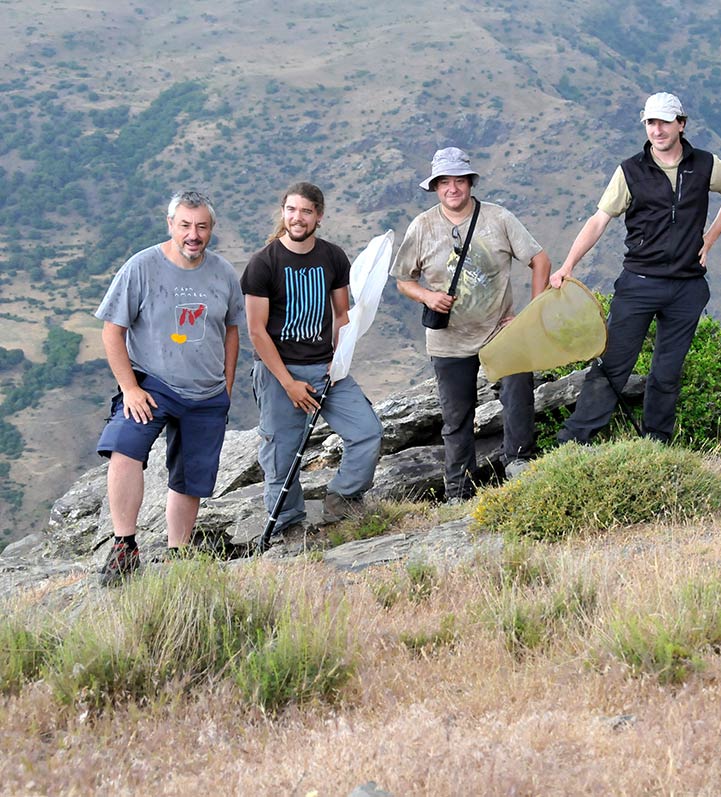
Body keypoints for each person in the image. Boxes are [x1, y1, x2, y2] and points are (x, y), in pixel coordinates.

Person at [550, 92, 721, 445]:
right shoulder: (630, 171)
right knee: (612, 366)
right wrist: (568, 265)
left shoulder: (705, 164)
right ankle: (574, 442)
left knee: (667, 371)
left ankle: (656, 442)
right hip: (638, 283)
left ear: (681, 124)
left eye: (665, 122)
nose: (657, 130)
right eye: (651, 122)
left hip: (686, 286)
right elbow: (599, 220)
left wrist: (710, 238)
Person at [94, 190, 244, 584]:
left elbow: (231, 330)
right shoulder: (141, 267)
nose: (193, 234)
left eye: (202, 227)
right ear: (170, 225)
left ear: (211, 229)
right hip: (153, 384)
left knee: (190, 476)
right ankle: (124, 546)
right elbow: (112, 331)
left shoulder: (224, 273)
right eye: (185, 226)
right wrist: (129, 388)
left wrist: (226, 388)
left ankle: (178, 554)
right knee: (124, 445)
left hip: (207, 391)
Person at [393, 147, 551, 502]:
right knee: (457, 418)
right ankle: (459, 492)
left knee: (518, 396)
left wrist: (530, 316)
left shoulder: (498, 218)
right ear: (435, 187)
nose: (453, 188)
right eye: (444, 182)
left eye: (459, 181)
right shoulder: (422, 226)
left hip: (500, 332)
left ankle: (520, 466)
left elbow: (540, 260)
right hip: (448, 340)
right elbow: (403, 279)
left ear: (470, 183)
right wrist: (427, 297)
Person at [242, 182, 383, 528]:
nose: (297, 217)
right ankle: (288, 525)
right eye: (291, 210)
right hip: (279, 373)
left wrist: (339, 358)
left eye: (306, 211)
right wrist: (288, 383)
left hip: (325, 368)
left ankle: (342, 498)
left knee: (367, 432)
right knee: (281, 456)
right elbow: (257, 331)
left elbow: (341, 315)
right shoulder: (263, 263)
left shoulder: (332, 257)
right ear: (283, 212)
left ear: (319, 216)